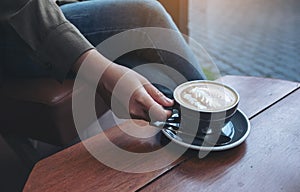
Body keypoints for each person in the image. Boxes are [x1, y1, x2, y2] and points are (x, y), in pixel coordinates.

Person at [0, 0, 205, 123]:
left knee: (136, 57)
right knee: (145, 14)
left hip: (55, 7)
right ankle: (212, 115)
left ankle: (185, 132)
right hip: (13, 28)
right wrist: (103, 72)